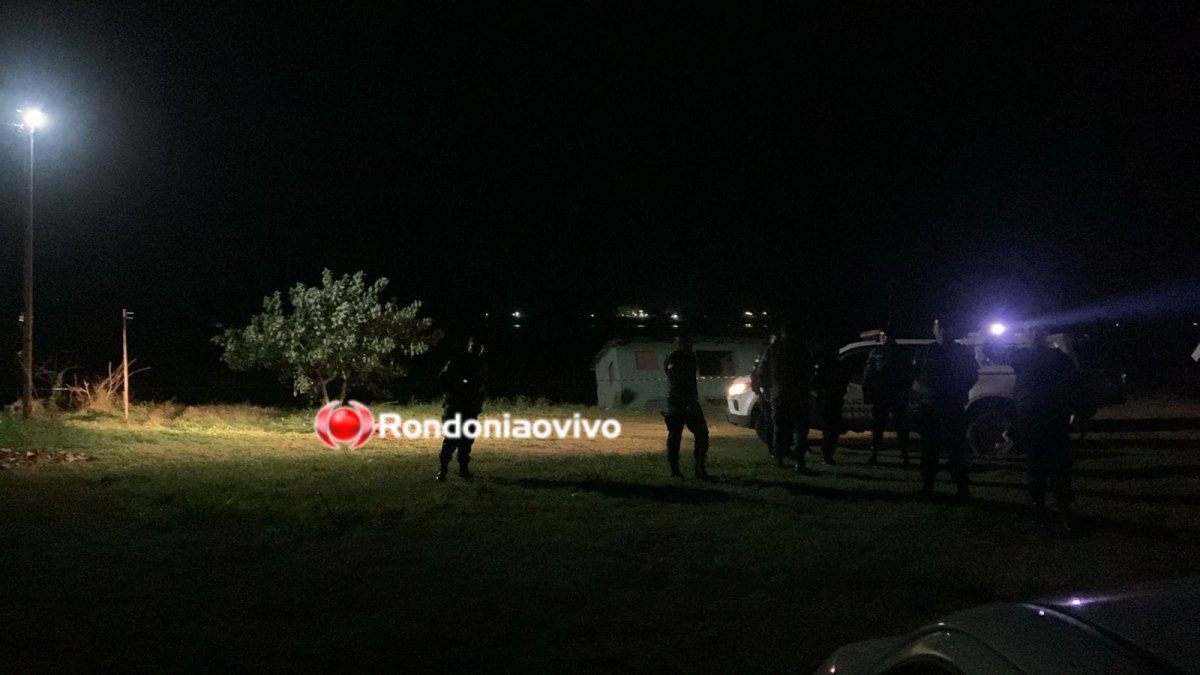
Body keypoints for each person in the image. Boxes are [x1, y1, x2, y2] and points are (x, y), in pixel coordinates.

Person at [1011, 328, 1080, 531]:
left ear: (1043, 335)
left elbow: (1073, 385)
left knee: (1055, 467)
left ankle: (1060, 511)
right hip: (1036, 419)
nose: (1033, 335)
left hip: (1050, 419)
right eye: (1030, 331)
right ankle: (1043, 510)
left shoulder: (1055, 358)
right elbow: (991, 350)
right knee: (1039, 467)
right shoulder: (1023, 356)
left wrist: (1076, 411)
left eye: (1036, 331)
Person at [914, 319, 978, 499]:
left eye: (944, 328)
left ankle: (962, 488)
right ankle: (928, 487)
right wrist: (926, 392)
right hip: (930, 407)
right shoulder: (926, 351)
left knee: (956, 449)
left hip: (952, 406)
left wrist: (959, 391)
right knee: (929, 449)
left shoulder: (961, 351)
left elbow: (972, 375)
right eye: (938, 327)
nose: (941, 331)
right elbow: (917, 374)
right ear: (934, 330)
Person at [761, 322, 813, 473]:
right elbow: (810, 371)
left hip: (779, 395)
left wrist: (768, 391)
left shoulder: (772, 349)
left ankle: (779, 460)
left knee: (780, 429)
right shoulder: (802, 349)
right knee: (800, 430)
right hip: (799, 395)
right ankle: (800, 462)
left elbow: (762, 372)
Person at [436, 337, 487, 481]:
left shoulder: (480, 364)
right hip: (455, 405)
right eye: (474, 346)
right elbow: (442, 379)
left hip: (469, 407)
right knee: (451, 438)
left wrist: (478, 401)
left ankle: (462, 470)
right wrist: (458, 385)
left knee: (466, 440)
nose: (476, 349)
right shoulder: (457, 360)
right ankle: (443, 471)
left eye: (478, 347)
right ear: (469, 346)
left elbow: (482, 386)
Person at [862, 330, 915, 465]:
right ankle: (895, 454)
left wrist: (867, 389)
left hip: (892, 394)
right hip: (887, 394)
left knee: (891, 425)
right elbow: (869, 373)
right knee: (890, 425)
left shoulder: (889, 352)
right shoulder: (893, 352)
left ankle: (898, 454)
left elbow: (868, 373)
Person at [663, 333, 711, 480]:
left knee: (702, 435)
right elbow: (675, 381)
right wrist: (686, 402)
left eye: (689, 342)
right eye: (684, 342)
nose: (688, 345)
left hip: (690, 402)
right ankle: (675, 470)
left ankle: (699, 468)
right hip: (678, 403)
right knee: (675, 437)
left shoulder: (691, 357)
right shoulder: (674, 358)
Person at [814, 340, 849, 465]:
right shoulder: (835, 365)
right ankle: (827, 454)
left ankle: (827, 454)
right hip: (831, 400)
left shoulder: (825, 366)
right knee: (831, 429)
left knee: (831, 429)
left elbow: (818, 384)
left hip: (829, 400)